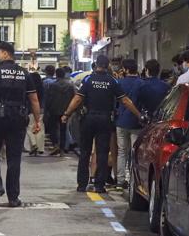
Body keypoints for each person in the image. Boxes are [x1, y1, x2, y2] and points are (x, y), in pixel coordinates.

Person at [61, 55, 142, 193]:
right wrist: (139, 115)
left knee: (85, 152)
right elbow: (125, 101)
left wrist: (66, 114)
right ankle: (100, 185)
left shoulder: (88, 80)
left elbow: (77, 99)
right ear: (107, 65)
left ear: (96, 64)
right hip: (105, 120)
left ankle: (82, 184)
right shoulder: (112, 81)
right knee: (102, 152)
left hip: (88, 119)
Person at [0, 42, 41, 207]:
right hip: (18, 120)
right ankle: (13, 197)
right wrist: (38, 120)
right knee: (14, 158)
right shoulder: (24, 73)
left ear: (5, 54)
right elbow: (34, 99)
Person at [114, 59, 144, 188]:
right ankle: (133, 179)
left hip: (121, 121)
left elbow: (115, 102)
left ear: (125, 70)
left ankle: (120, 180)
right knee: (134, 152)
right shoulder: (141, 84)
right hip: (136, 123)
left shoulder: (119, 83)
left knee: (122, 151)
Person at [44, 68, 75, 156]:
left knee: (52, 128)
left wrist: (47, 110)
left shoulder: (52, 85)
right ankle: (62, 149)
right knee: (63, 130)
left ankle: (55, 144)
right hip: (65, 111)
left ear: (56, 75)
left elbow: (49, 99)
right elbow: (74, 98)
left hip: (54, 110)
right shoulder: (70, 85)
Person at [26, 67, 45, 156]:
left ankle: (33, 144)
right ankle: (40, 148)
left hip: (30, 109)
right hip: (41, 109)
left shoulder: (28, 87)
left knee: (30, 127)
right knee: (40, 128)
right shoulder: (42, 87)